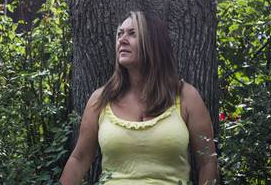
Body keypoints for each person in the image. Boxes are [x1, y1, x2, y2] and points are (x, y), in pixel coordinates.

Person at [59, 11, 218, 185]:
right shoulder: (101, 99)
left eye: (133, 34)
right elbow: (79, 159)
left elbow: (208, 162)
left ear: (154, 43)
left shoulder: (186, 96)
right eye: (120, 34)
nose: (122, 40)